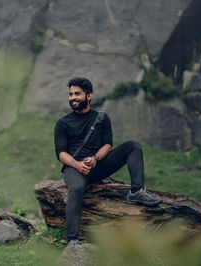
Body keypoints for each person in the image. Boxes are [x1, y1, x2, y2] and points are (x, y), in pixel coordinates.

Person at [54, 77, 162, 247]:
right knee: (76, 188)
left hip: (98, 165)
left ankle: (136, 192)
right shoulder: (62, 123)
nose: (72, 98)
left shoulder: (101, 118)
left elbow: (107, 144)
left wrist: (96, 159)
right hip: (74, 168)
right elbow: (60, 153)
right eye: (70, 94)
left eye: (77, 94)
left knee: (133, 146)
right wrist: (77, 164)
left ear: (89, 96)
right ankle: (73, 239)